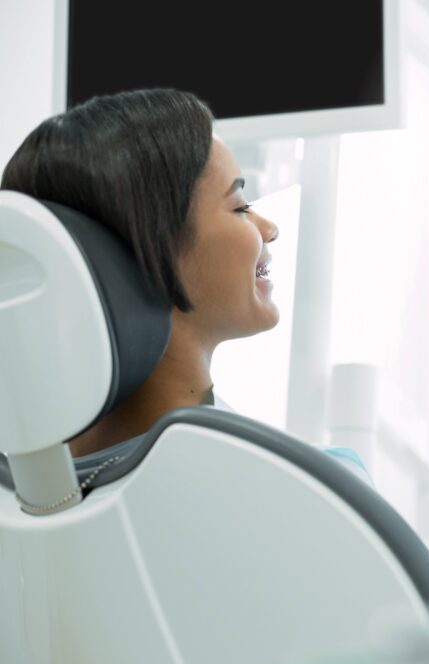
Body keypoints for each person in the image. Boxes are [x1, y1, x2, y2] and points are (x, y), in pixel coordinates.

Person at [0, 89, 369, 484]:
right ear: (150, 249)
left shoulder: (23, 502)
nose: (269, 229)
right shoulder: (318, 487)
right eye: (240, 206)